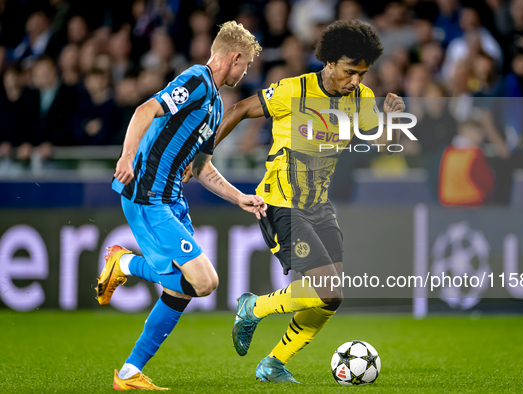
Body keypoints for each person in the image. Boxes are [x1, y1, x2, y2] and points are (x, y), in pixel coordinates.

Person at [215, 20, 406, 383]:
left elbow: (380, 142)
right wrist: (204, 155)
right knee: (326, 289)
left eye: (363, 74)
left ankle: (273, 364)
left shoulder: (361, 99)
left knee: (332, 298)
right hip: (281, 202)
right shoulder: (293, 91)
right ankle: (252, 307)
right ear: (330, 62)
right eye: (350, 72)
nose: (356, 81)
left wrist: (392, 120)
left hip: (319, 206)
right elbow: (238, 109)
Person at [95, 21, 265, 391]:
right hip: (147, 196)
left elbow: (200, 168)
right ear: (234, 58)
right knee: (205, 281)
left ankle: (128, 373)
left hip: (172, 200)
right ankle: (123, 262)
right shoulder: (196, 81)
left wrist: (240, 198)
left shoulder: (217, 107)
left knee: (184, 288)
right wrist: (126, 158)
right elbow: (144, 110)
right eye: (246, 64)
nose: (246, 71)